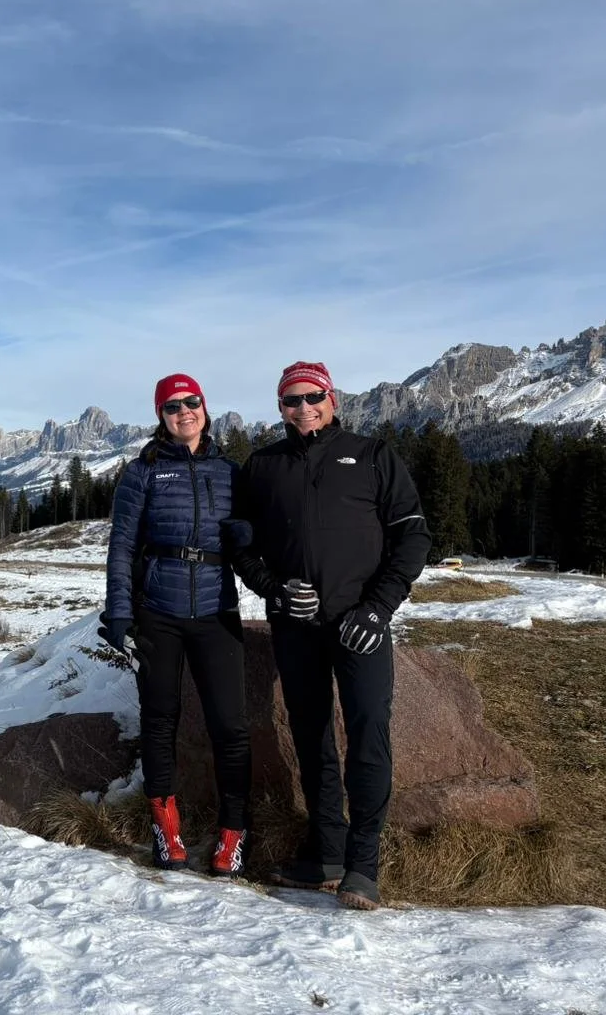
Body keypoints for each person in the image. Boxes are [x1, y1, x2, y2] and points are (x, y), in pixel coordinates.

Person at [232, 361, 431, 910]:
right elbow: (241, 546)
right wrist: (273, 590)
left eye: (312, 396)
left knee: (368, 732)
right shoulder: (263, 466)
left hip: (360, 623)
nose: (303, 408)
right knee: (310, 736)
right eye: (291, 400)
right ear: (280, 407)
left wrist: (378, 609)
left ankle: (363, 865)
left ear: (332, 398)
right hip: (296, 626)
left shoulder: (372, 455)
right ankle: (327, 852)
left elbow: (413, 539)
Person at [100, 373, 253, 877]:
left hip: (216, 611)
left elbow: (258, 536)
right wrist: (119, 613)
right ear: (160, 415)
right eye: (172, 406)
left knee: (230, 726)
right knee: (159, 720)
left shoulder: (230, 471)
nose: (184, 412)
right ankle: (166, 829)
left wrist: (249, 538)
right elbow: (122, 546)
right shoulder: (142, 472)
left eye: (192, 402)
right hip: (158, 613)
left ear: (205, 407)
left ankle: (233, 834)